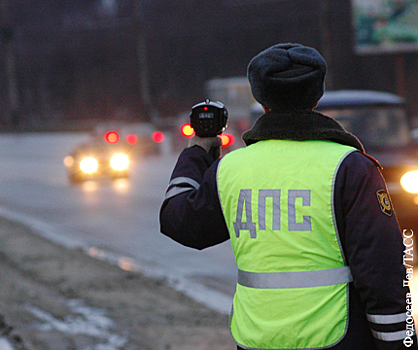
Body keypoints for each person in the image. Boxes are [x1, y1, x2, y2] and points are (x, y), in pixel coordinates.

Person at [159, 43, 417, 349]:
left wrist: (197, 152)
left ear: (259, 97)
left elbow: (179, 222)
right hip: (335, 337)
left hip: (256, 339)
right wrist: (402, 344)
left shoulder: (229, 169)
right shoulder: (350, 167)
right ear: (317, 95)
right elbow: (382, 273)